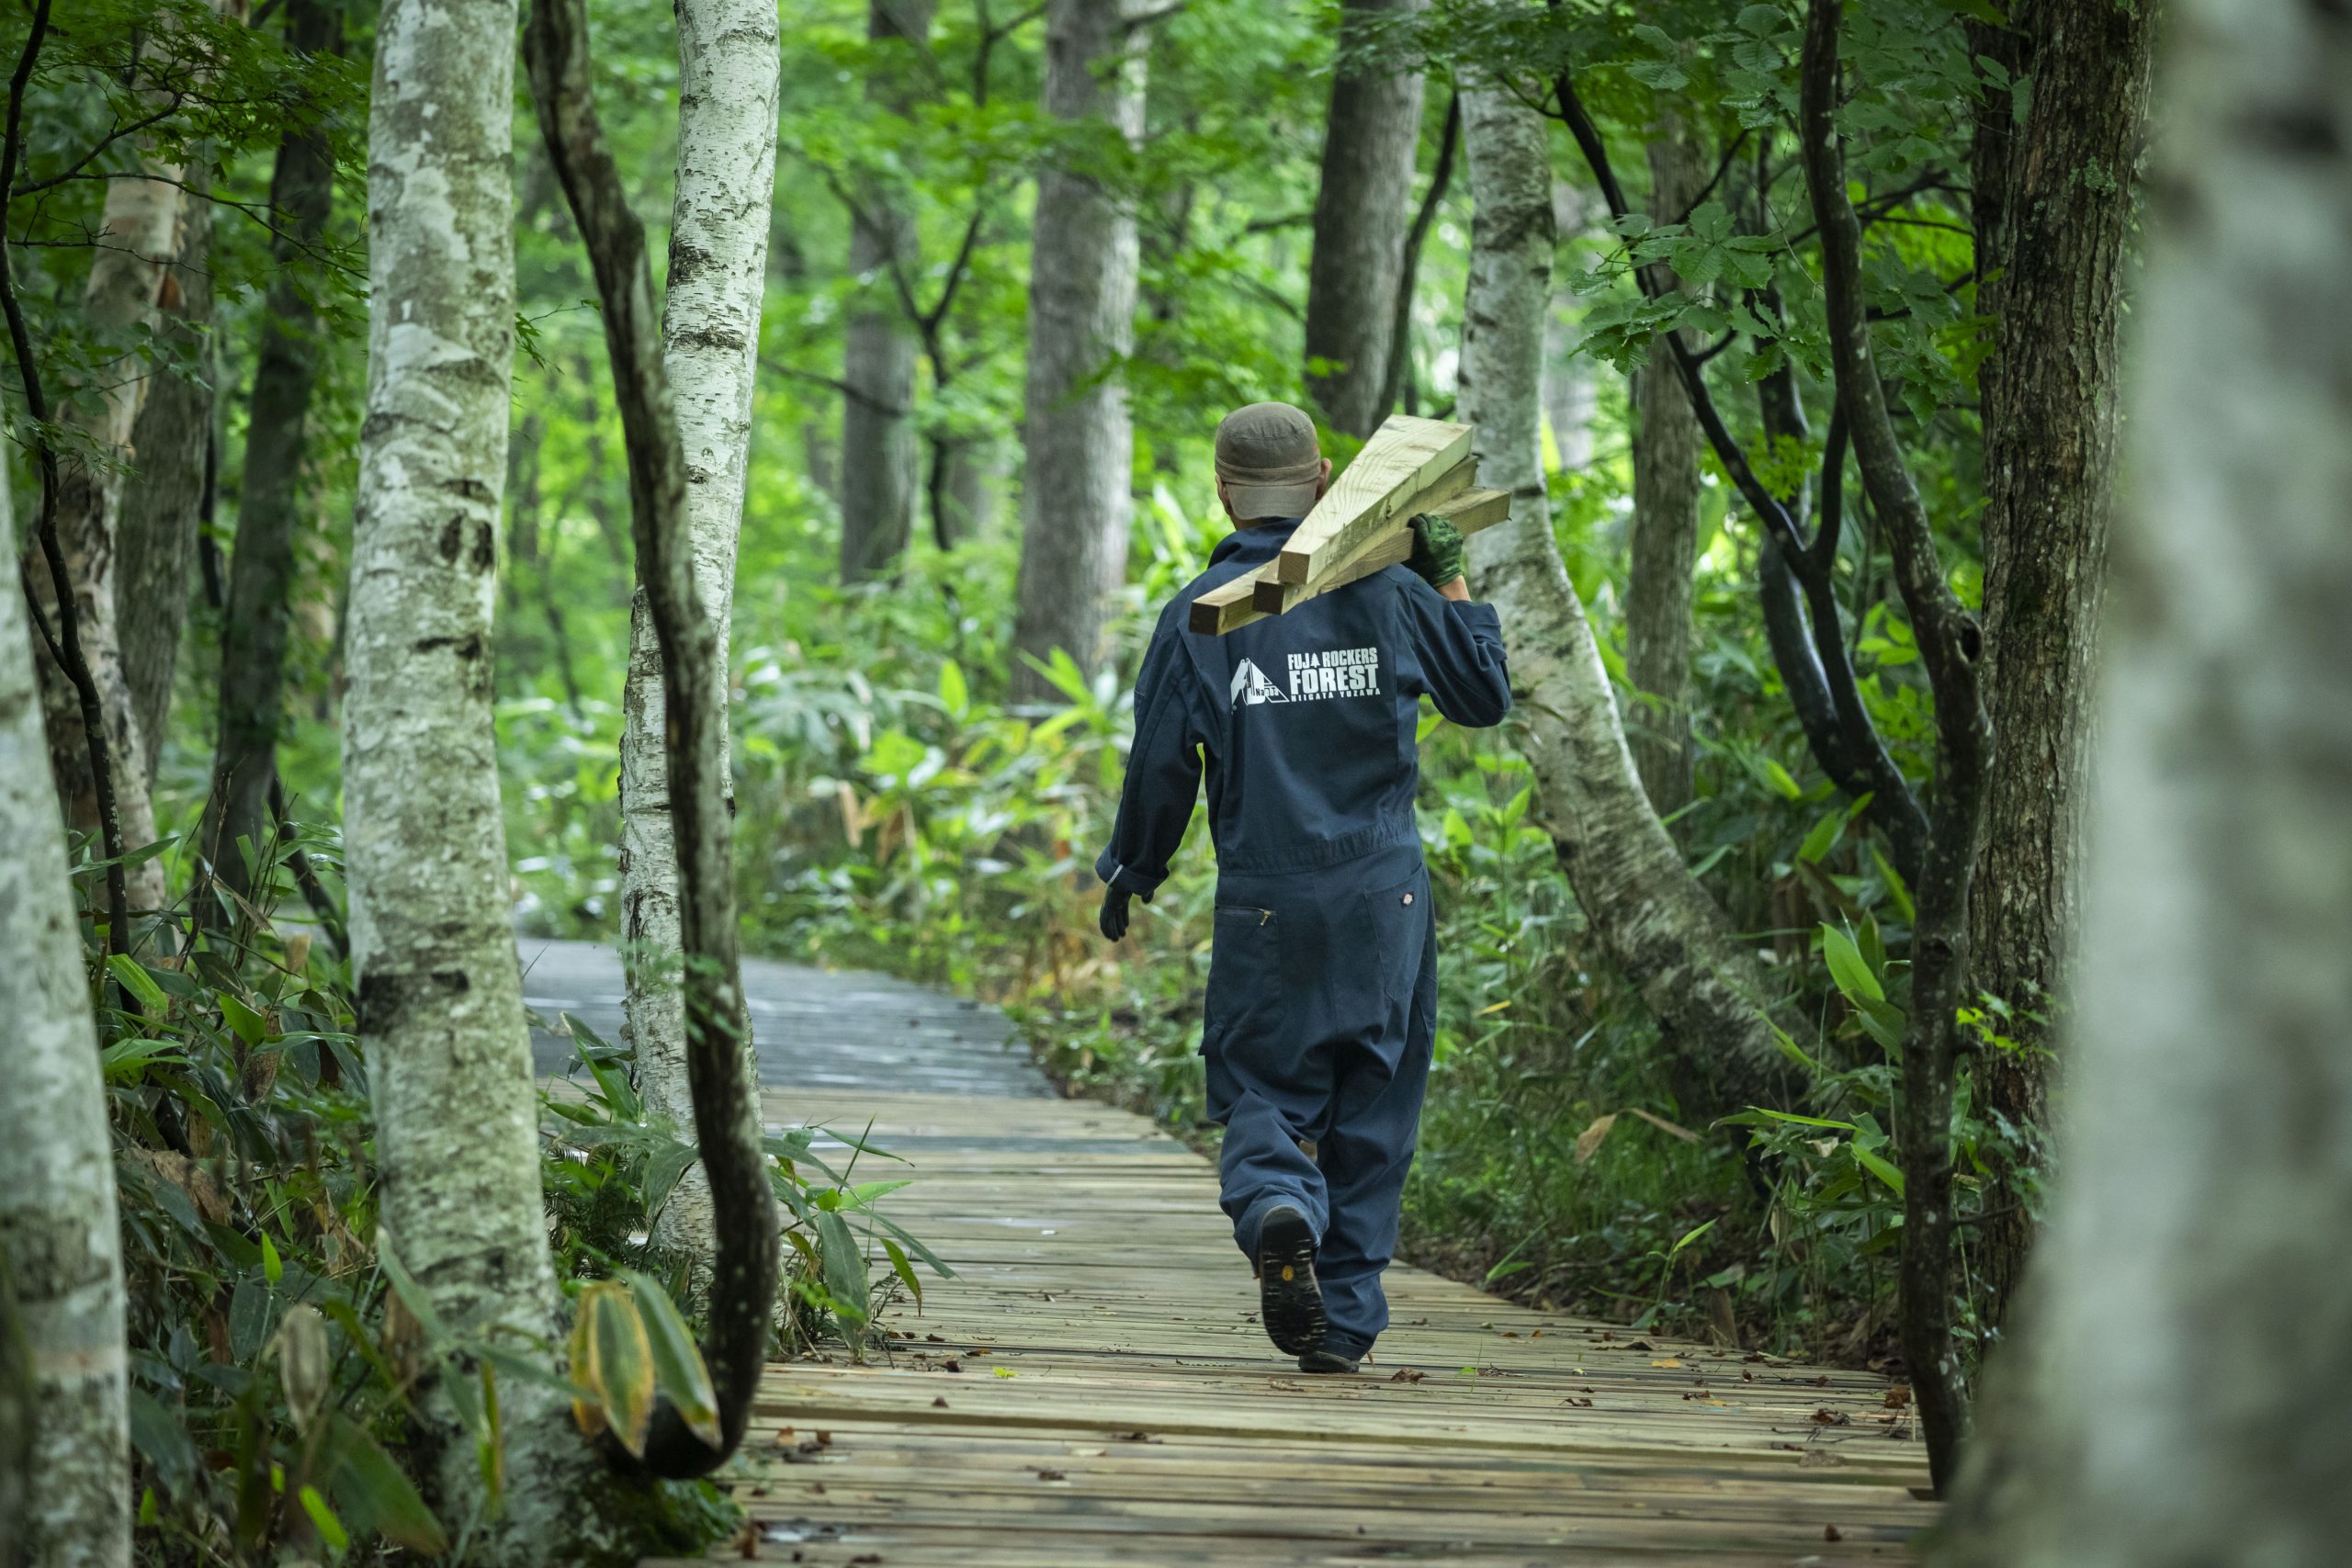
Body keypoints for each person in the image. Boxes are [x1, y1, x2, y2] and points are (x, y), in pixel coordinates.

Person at [1094, 401, 1512, 1373]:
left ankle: (1279, 1197)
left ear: (1222, 487)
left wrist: (1134, 869)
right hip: (1383, 899)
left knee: (1264, 1093)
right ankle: (1347, 1322)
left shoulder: (1200, 614)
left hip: (1265, 902)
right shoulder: (1395, 597)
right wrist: (1443, 570)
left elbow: (1162, 764)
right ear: (1325, 479)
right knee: (1375, 1104)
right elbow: (1484, 698)